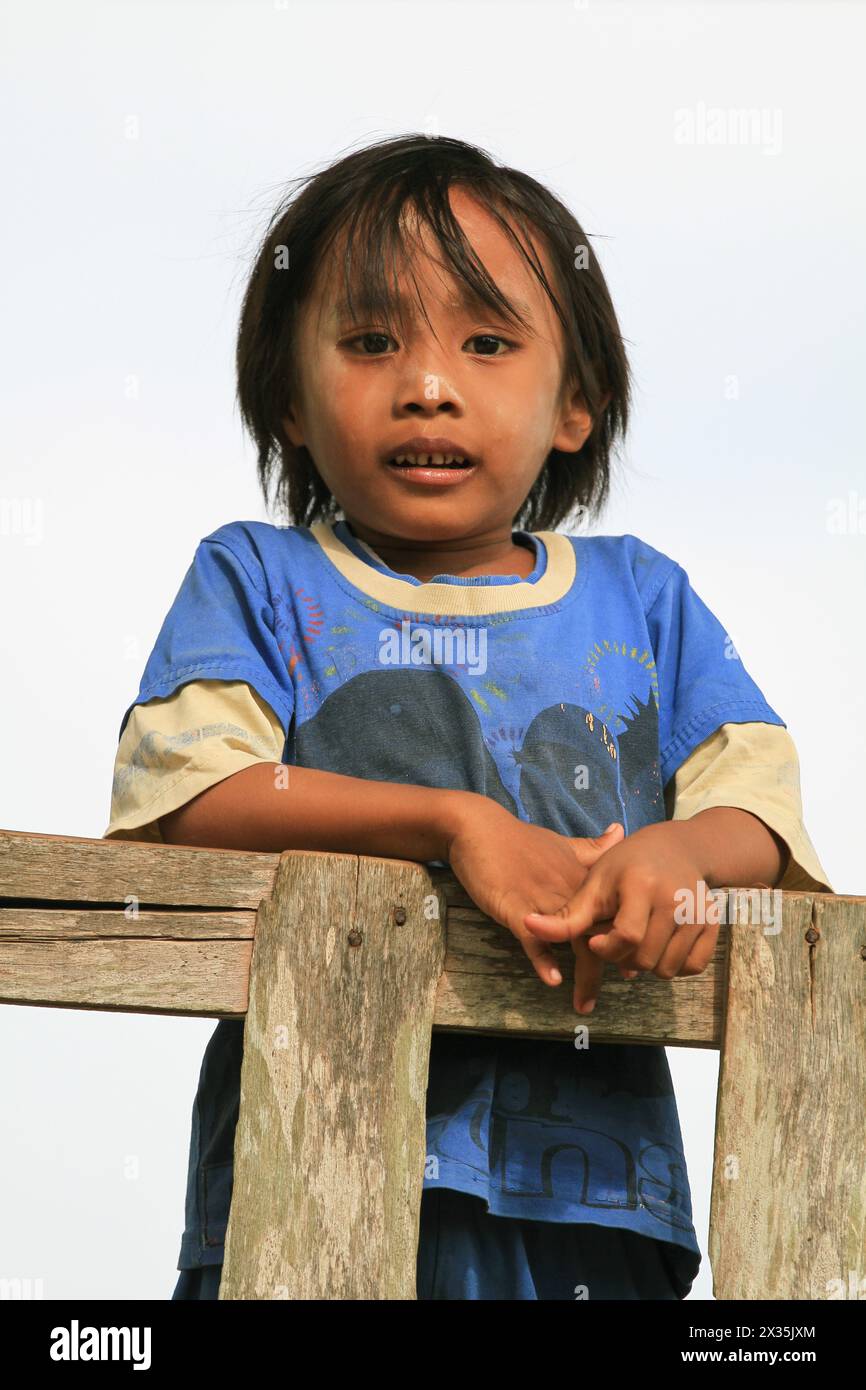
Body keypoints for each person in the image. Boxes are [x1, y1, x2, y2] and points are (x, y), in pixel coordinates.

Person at [104, 133, 832, 1301]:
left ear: (575, 406)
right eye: (370, 341)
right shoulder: (258, 581)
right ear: (289, 400)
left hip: (591, 1201)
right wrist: (452, 825)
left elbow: (756, 814)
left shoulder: (639, 600)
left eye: (486, 343)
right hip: (314, 1168)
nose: (428, 383)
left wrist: (676, 855)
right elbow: (193, 797)